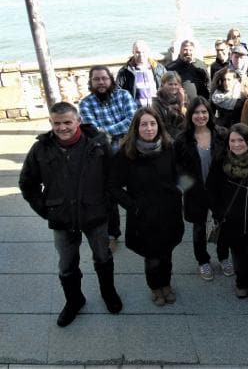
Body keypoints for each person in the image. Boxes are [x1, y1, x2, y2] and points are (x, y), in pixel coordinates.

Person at [19, 102, 123, 327]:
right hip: (62, 219)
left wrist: (106, 206)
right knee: (66, 264)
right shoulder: (41, 149)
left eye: (67, 122)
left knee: (103, 257)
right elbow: (27, 183)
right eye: (57, 123)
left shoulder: (98, 144)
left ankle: (108, 293)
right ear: (50, 123)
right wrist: (46, 210)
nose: (62, 127)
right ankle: (74, 301)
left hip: (95, 215)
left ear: (77, 121)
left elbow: (113, 178)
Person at [109, 107, 184, 306]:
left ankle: (166, 284)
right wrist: (132, 206)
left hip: (168, 213)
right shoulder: (126, 154)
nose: (149, 128)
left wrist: (180, 193)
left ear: (158, 126)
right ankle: (155, 287)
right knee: (152, 258)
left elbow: (182, 175)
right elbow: (113, 185)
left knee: (167, 254)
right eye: (144, 124)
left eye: (153, 123)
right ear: (136, 128)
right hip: (143, 216)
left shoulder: (170, 148)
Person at [206, 123, 248, 299]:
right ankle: (241, 282)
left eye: (240, 140)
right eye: (232, 140)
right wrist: (219, 212)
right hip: (230, 220)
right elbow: (211, 189)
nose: (236, 144)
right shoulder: (220, 161)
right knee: (238, 254)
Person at [175, 97, 232, 281]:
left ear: (210, 113)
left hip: (219, 191)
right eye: (197, 112)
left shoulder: (221, 134)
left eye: (204, 112)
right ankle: (203, 261)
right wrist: (187, 189)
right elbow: (177, 168)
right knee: (199, 229)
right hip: (196, 193)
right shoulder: (182, 140)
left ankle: (223, 257)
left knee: (222, 226)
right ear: (190, 115)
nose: (201, 116)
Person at [79, 65, 137, 246]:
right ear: (91, 82)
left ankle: (137, 226)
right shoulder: (85, 103)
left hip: (130, 153)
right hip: (104, 157)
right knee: (110, 195)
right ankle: (113, 234)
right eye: (96, 79)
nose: (101, 82)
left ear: (111, 79)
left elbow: (133, 120)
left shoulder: (124, 95)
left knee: (136, 191)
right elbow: (93, 132)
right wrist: (113, 133)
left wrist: (107, 131)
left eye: (104, 78)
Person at [116, 40, 165, 107]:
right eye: (137, 52)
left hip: (156, 110)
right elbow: (118, 93)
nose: (141, 55)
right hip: (137, 112)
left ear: (148, 52)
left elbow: (168, 87)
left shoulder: (159, 68)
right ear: (133, 53)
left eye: (143, 52)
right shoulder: (125, 71)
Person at [151, 72, 187, 140]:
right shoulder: (157, 103)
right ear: (163, 84)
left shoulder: (183, 99)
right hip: (167, 139)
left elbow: (186, 121)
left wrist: (182, 103)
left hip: (183, 138)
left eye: (176, 84)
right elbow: (160, 126)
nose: (173, 87)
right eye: (170, 84)